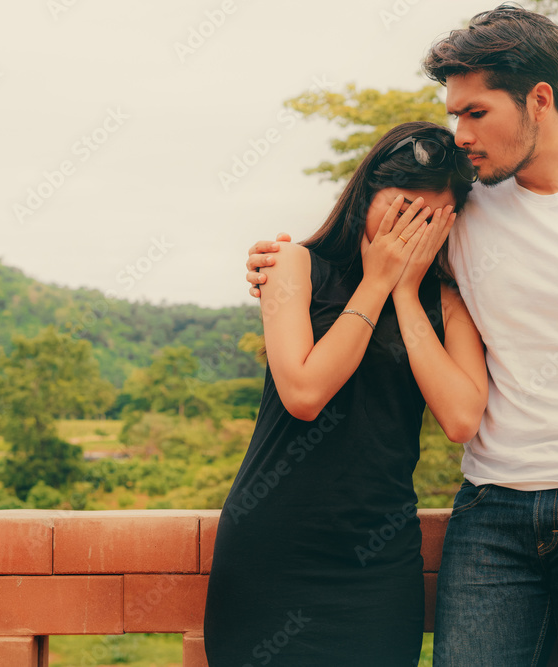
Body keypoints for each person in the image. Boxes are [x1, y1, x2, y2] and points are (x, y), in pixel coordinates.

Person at [244, 6, 558, 666]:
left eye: (476, 113)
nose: (461, 133)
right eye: (453, 115)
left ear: (538, 99)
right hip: (491, 511)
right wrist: (275, 263)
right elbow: (365, 245)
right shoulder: (465, 207)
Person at [204, 120, 489, 667]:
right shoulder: (295, 266)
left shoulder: (447, 304)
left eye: (428, 217)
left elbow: (461, 418)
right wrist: (377, 282)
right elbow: (305, 393)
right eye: (400, 206)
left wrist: (406, 292)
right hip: (272, 548)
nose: (408, 227)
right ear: (366, 193)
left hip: (377, 561)